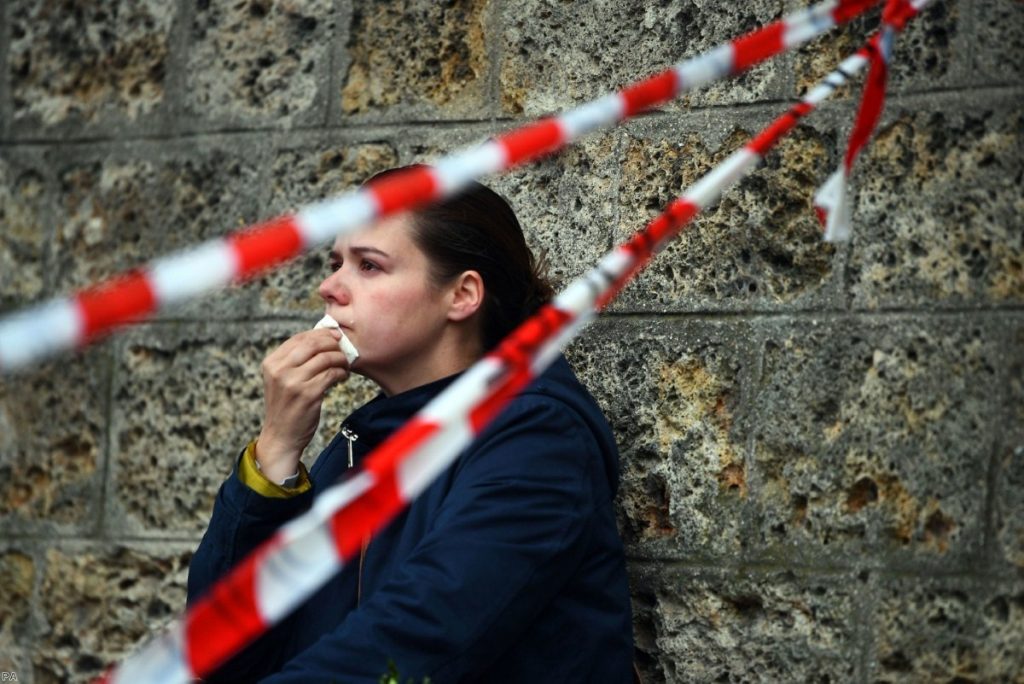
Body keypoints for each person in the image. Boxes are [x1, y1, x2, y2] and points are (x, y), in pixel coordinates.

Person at [187, 167, 635, 682]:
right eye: (336, 263)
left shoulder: (538, 436)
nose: (328, 287)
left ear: (462, 296)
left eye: (369, 266)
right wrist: (277, 450)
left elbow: (419, 633)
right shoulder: (366, 442)